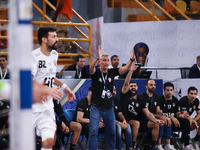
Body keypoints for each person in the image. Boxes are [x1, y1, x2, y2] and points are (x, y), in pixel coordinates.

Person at [32, 27, 76, 150]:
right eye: (54, 36)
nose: (57, 39)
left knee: (49, 141)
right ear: (44, 40)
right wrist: (47, 90)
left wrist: (64, 87)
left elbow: (50, 77)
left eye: (57, 36)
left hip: (47, 107)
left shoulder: (55, 55)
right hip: (31, 106)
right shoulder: (34, 56)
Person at [88, 45, 136, 150]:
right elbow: (90, 69)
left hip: (109, 108)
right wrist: (97, 58)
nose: (105, 62)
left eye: (107, 60)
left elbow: (126, 68)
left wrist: (131, 59)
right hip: (96, 108)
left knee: (112, 133)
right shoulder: (96, 73)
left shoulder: (111, 72)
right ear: (100, 62)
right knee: (93, 132)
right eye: (103, 60)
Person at [121, 64, 163, 150]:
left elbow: (147, 113)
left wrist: (156, 120)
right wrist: (131, 71)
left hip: (140, 122)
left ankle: (153, 145)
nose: (133, 87)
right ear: (128, 88)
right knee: (136, 123)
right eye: (131, 86)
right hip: (127, 120)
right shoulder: (125, 96)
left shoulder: (140, 99)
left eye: (134, 86)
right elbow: (125, 83)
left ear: (137, 88)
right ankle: (133, 145)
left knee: (155, 124)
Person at [137, 79, 174, 150]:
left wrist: (162, 115)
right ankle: (156, 145)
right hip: (143, 120)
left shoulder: (156, 96)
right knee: (158, 123)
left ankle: (167, 144)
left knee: (166, 121)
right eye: (151, 85)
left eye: (154, 85)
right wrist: (160, 117)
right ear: (146, 86)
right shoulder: (141, 97)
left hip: (153, 118)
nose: (153, 86)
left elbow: (158, 111)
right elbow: (147, 113)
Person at [159, 82, 192, 150]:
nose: (169, 92)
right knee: (169, 121)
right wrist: (171, 118)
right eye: (167, 90)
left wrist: (181, 115)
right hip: (165, 120)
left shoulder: (175, 100)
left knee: (186, 122)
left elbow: (177, 114)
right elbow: (160, 115)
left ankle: (185, 144)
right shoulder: (160, 99)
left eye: (171, 90)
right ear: (164, 91)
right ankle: (168, 144)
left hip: (175, 120)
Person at [113, 85, 133, 150]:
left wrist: (124, 120)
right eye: (112, 90)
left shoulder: (116, 100)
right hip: (108, 122)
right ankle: (121, 147)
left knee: (128, 126)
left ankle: (129, 147)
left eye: (115, 90)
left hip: (117, 122)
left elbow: (119, 113)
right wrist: (120, 123)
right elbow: (107, 118)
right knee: (118, 127)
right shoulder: (105, 101)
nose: (114, 92)